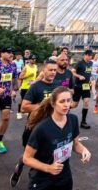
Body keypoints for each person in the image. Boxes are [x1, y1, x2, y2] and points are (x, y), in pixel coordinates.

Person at [23, 87, 91, 190]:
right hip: (42, 179)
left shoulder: (73, 120)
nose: (66, 104)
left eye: (68, 100)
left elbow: (75, 144)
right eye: (62, 101)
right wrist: (49, 168)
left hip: (64, 176)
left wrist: (84, 150)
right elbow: (27, 158)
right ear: (53, 103)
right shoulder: (41, 128)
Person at [10, 59, 59, 187]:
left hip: (52, 128)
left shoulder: (58, 87)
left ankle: (41, 181)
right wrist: (43, 106)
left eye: (55, 70)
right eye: (50, 70)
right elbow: (24, 107)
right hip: (34, 128)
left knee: (47, 156)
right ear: (43, 71)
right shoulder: (36, 87)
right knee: (30, 156)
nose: (53, 72)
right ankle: (20, 166)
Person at [72, 50, 93, 128]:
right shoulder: (79, 63)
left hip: (86, 86)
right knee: (75, 104)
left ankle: (83, 122)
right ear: (86, 55)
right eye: (90, 56)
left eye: (91, 56)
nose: (91, 57)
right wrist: (79, 76)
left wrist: (91, 79)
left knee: (86, 102)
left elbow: (89, 73)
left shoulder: (91, 63)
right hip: (78, 85)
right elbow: (73, 72)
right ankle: (64, 111)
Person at [17, 54, 38, 120]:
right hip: (25, 87)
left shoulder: (36, 66)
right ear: (29, 60)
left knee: (32, 101)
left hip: (32, 87)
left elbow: (36, 75)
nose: (34, 60)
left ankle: (29, 115)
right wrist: (28, 76)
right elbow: (20, 77)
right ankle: (19, 112)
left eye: (35, 59)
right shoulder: (26, 67)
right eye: (32, 59)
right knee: (23, 100)